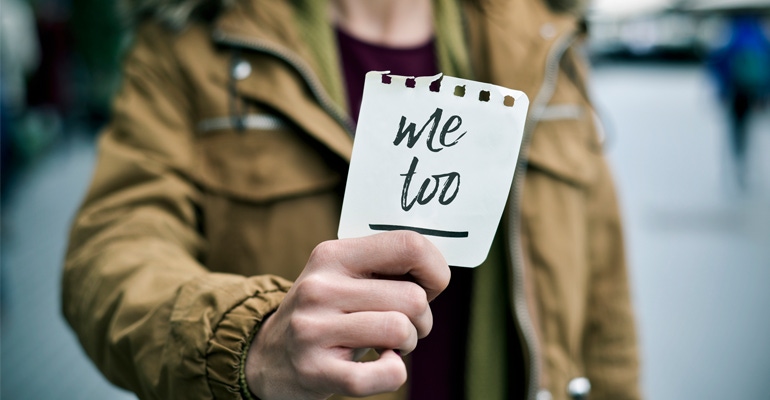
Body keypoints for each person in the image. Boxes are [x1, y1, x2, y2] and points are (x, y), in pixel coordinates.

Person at [62, 0, 641, 399]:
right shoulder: (189, 48)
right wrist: (252, 338)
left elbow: (605, 312)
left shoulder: (545, 38)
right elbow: (110, 256)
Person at [707, 14, 770, 189]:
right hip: (755, 93)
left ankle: (738, 162)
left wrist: (722, 90)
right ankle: (747, 166)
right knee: (749, 129)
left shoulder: (732, 39)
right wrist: (764, 93)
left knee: (737, 129)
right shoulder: (760, 39)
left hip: (736, 92)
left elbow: (716, 63)